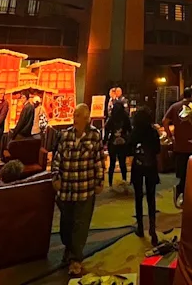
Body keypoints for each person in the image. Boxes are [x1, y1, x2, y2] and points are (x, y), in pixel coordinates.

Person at [51, 103, 105, 277]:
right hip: (66, 189)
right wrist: (56, 177)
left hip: (84, 189)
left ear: (86, 119)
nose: (75, 118)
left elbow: (99, 160)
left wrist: (99, 181)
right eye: (74, 115)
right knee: (66, 225)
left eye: (78, 116)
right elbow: (57, 158)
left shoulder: (95, 136)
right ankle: (69, 248)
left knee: (81, 225)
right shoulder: (65, 135)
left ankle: (76, 259)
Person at [128, 107, 161, 245]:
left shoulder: (135, 132)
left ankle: (140, 227)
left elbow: (129, 149)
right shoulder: (153, 132)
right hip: (151, 166)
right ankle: (152, 229)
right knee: (151, 198)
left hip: (138, 166)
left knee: (138, 196)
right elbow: (158, 150)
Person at [162, 87, 192, 207]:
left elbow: (165, 121)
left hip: (179, 144)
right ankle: (185, 193)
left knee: (181, 171)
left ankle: (181, 192)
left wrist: (169, 135)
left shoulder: (175, 107)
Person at [105, 100, 131, 187]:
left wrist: (104, 141)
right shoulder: (125, 118)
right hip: (123, 143)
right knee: (122, 163)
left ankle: (110, 183)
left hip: (113, 142)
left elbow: (106, 131)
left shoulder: (111, 119)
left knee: (112, 163)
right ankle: (124, 180)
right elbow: (130, 130)